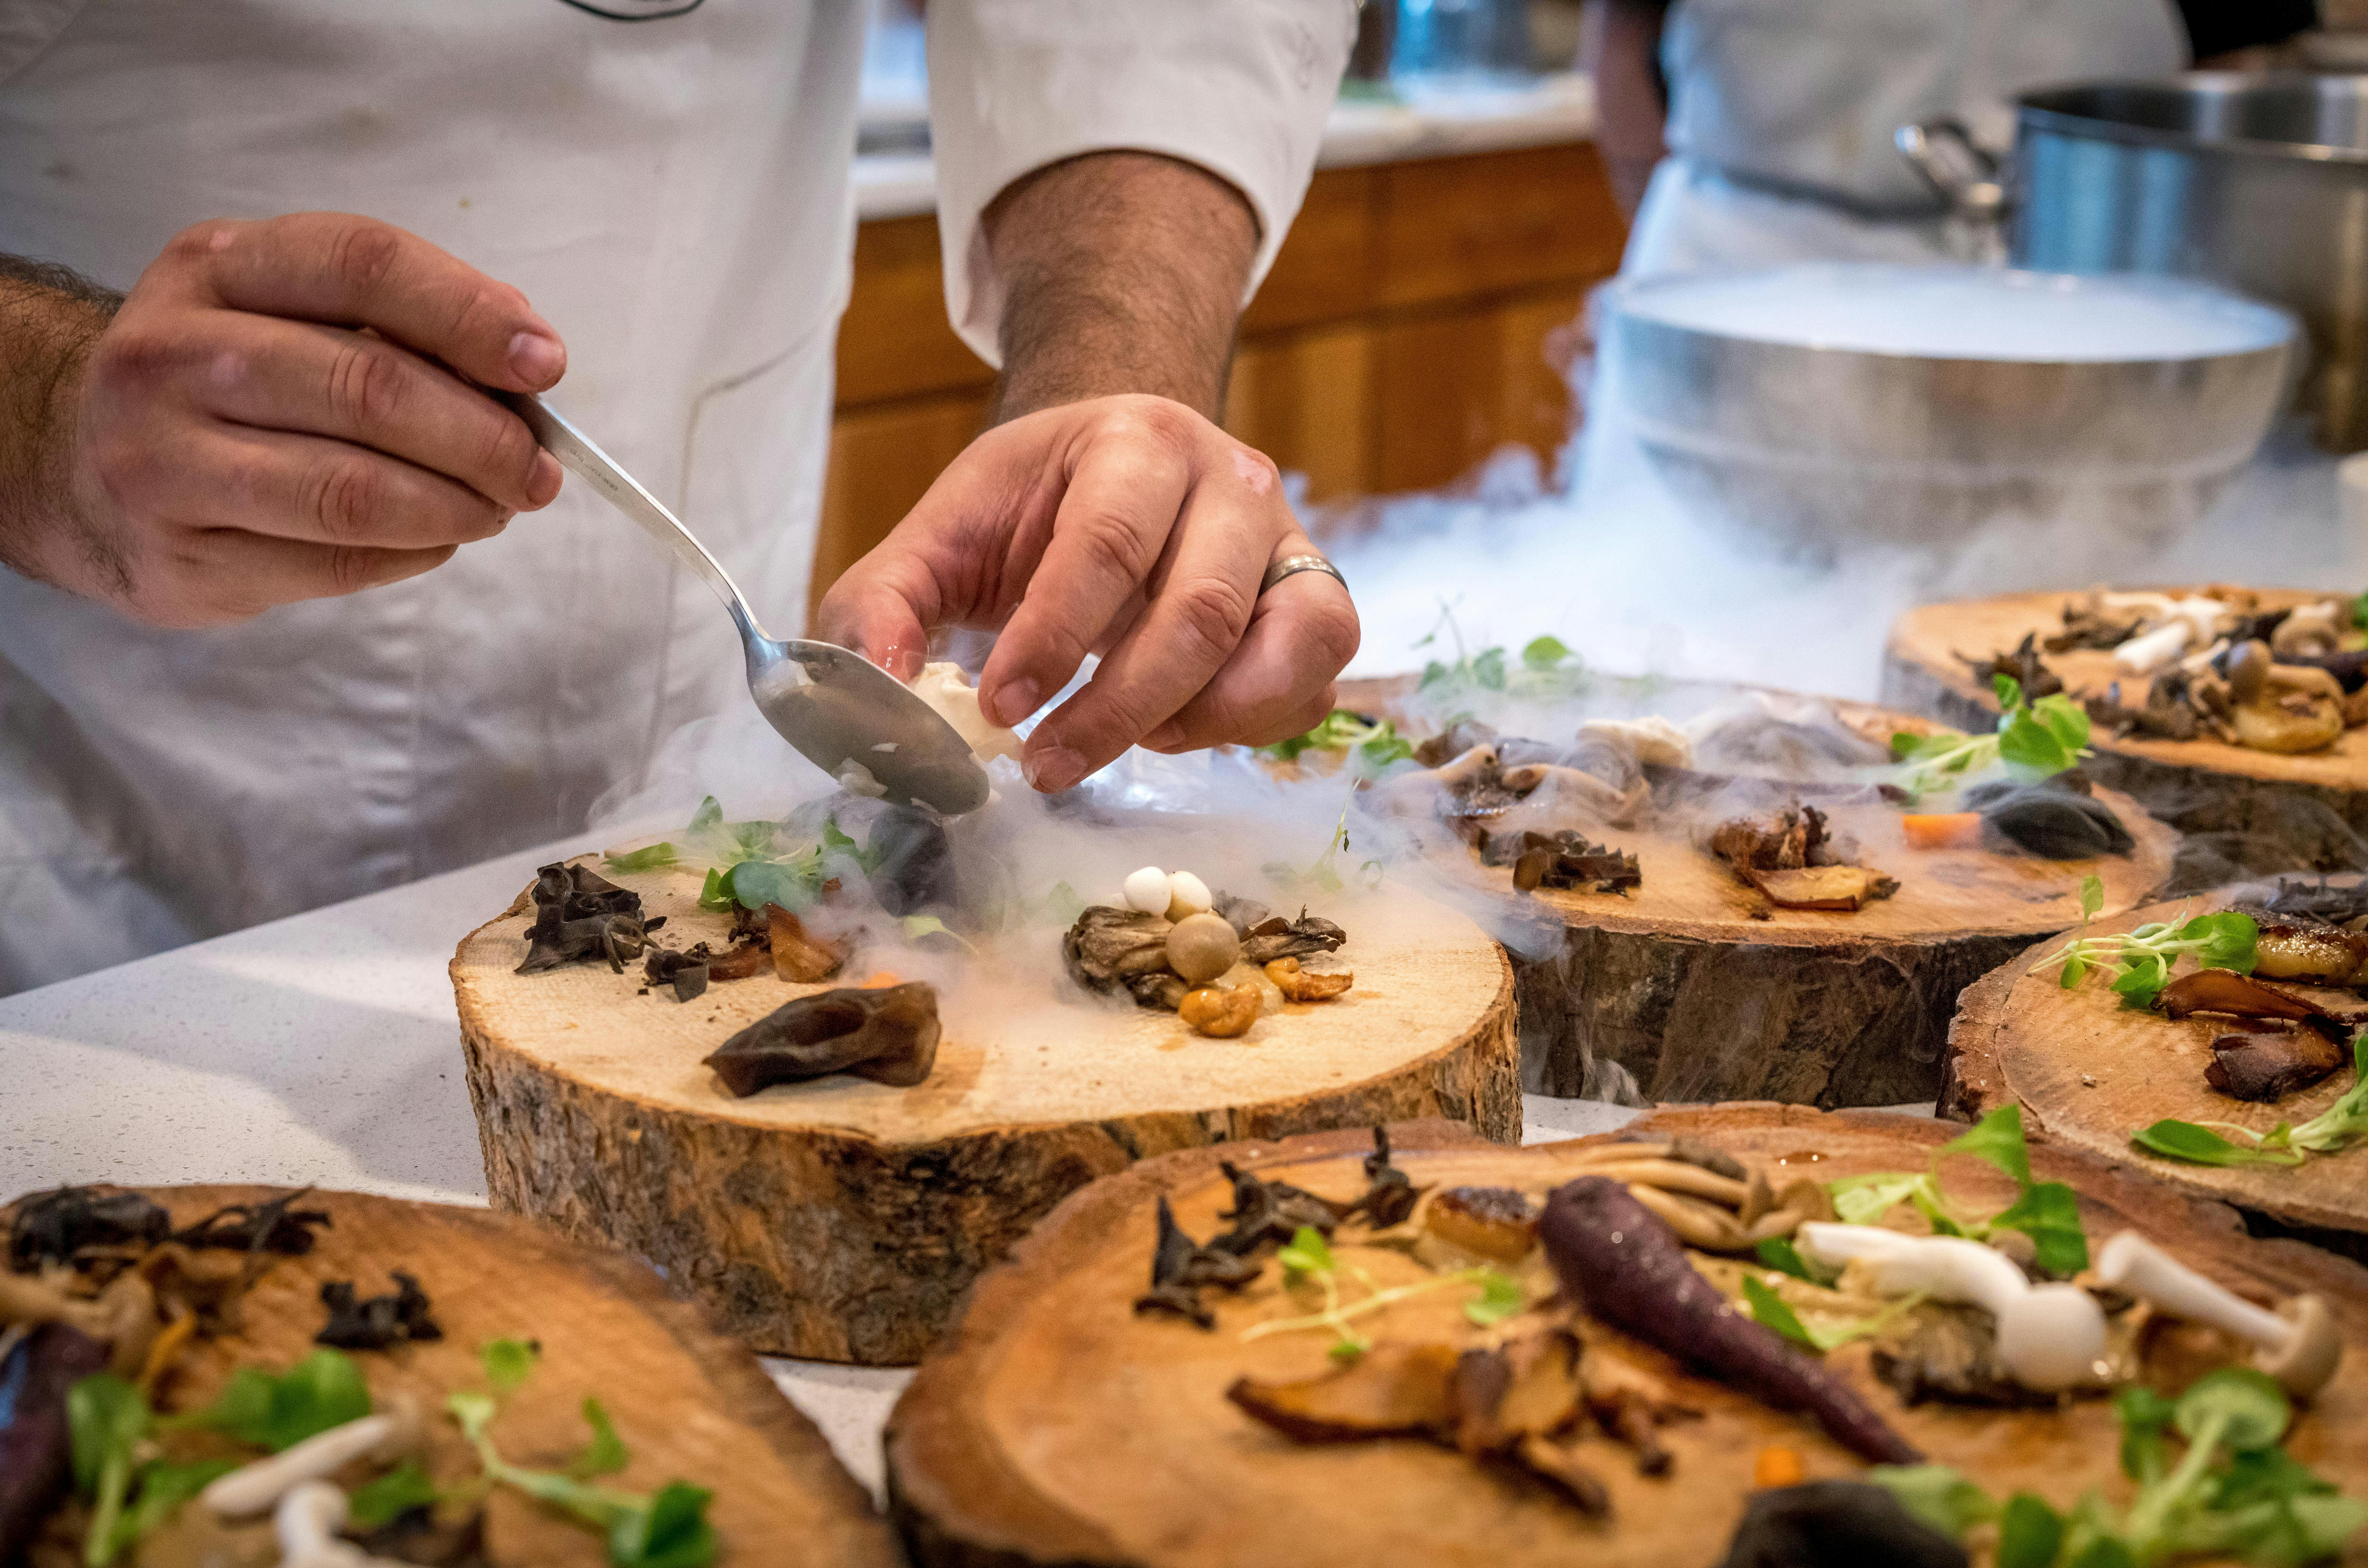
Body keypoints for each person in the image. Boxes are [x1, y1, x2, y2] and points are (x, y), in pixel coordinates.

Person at [0, 0, 1364, 993]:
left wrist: (1112, 385)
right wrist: (48, 409)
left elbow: (1153, 34)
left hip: (688, 724)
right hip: (101, 878)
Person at [1589, 0, 2322, 277]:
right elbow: (1620, 44)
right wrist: (1644, 306)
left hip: (2068, 289)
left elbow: (2223, 80)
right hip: (1740, 263)